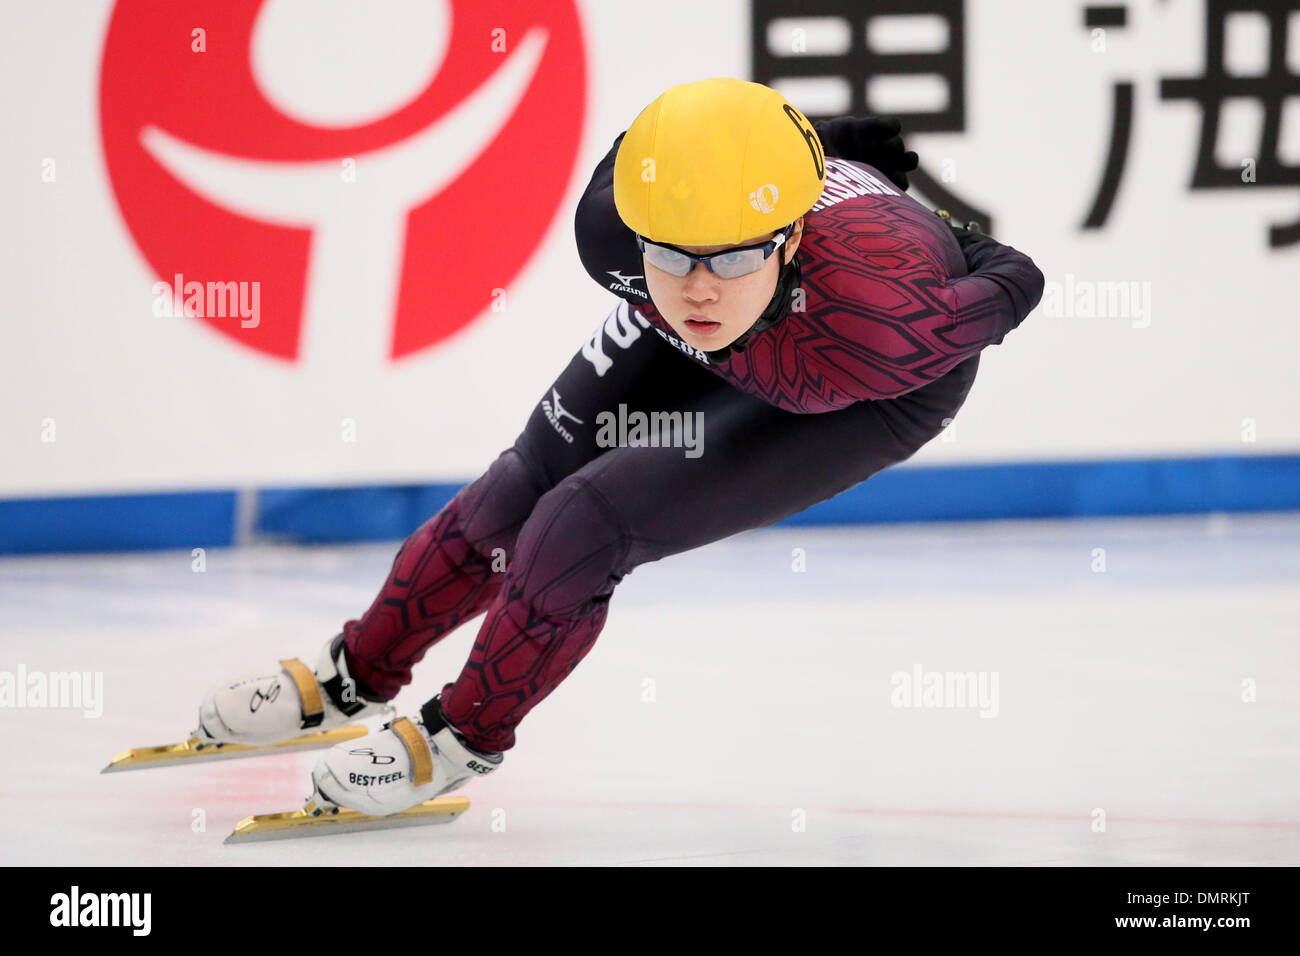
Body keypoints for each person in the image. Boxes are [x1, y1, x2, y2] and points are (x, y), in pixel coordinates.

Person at [195, 78, 1044, 817]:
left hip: (848, 389)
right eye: (673, 256)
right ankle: (354, 674)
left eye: (727, 259)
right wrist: (816, 146)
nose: (699, 288)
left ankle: (457, 742)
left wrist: (962, 241)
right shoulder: (615, 231)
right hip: (726, 317)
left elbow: (1019, 276)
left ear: (786, 241)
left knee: (580, 524)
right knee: (521, 486)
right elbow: (681, 162)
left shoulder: (886, 329)